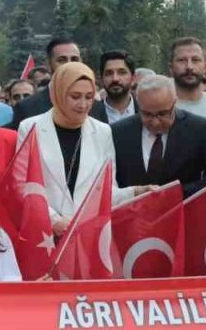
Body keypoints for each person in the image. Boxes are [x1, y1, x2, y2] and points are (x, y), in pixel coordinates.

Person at [17, 62, 150, 238]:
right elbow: (22, 185)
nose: (83, 104)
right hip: (44, 237)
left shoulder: (102, 131)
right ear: (59, 93)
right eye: (75, 96)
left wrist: (136, 192)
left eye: (89, 97)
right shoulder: (30, 127)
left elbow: (106, 192)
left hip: (88, 237)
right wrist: (54, 220)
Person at [111, 75, 206, 197]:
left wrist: (175, 193)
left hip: (183, 210)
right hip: (131, 213)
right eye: (147, 114)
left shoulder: (199, 129)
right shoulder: (117, 133)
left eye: (163, 114)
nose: (155, 122)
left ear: (174, 103)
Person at [9, 37, 90, 130]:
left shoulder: (96, 107)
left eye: (74, 59)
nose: (69, 64)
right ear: (48, 64)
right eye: (62, 60)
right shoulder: (26, 108)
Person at [169, 37, 206, 118]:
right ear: (171, 67)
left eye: (195, 60)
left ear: (205, 67)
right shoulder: (155, 108)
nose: (189, 67)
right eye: (182, 60)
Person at [98, 50, 137, 124]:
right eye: (109, 73)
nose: (115, 79)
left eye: (122, 72)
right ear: (101, 79)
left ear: (133, 78)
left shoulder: (145, 112)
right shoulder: (90, 114)